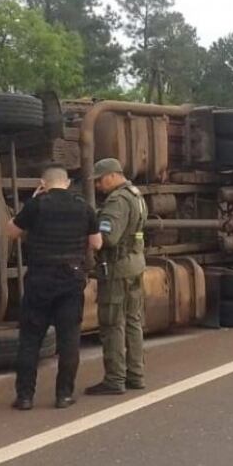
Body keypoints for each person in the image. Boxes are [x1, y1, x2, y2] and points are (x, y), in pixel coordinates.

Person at [6, 165, 102, 410]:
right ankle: (63, 395)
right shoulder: (83, 206)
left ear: (43, 183)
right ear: (67, 183)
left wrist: (33, 200)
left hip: (40, 278)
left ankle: (25, 397)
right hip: (71, 279)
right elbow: (97, 243)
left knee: (30, 340)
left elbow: (12, 232)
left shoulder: (36, 205)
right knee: (69, 340)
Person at [85, 158, 148, 396]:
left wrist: (93, 231)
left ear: (112, 176)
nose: (99, 186)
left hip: (117, 269)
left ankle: (114, 378)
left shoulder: (117, 201)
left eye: (100, 180)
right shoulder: (136, 195)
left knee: (112, 324)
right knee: (133, 321)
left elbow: (108, 239)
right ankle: (136, 374)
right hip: (134, 265)